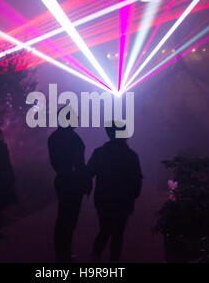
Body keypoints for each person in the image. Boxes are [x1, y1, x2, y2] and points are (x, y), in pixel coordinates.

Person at [87, 122, 143, 262]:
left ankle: (96, 253)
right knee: (118, 233)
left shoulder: (100, 152)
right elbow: (137, 178)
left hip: (104, 198)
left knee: (105, 230)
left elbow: (89, 172)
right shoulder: (131, 155)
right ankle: (113, 260)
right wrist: (134, 194)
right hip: (123, 199)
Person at [47, 107, 92, 263]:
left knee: (67, 218)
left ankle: (63, 251)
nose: (77, 120)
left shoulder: (56, 137)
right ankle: (63, 253)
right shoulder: (71, 137)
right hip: (71, 181)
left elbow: (57, 162)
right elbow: (75, 161)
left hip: (67, 180)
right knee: (67, 218)